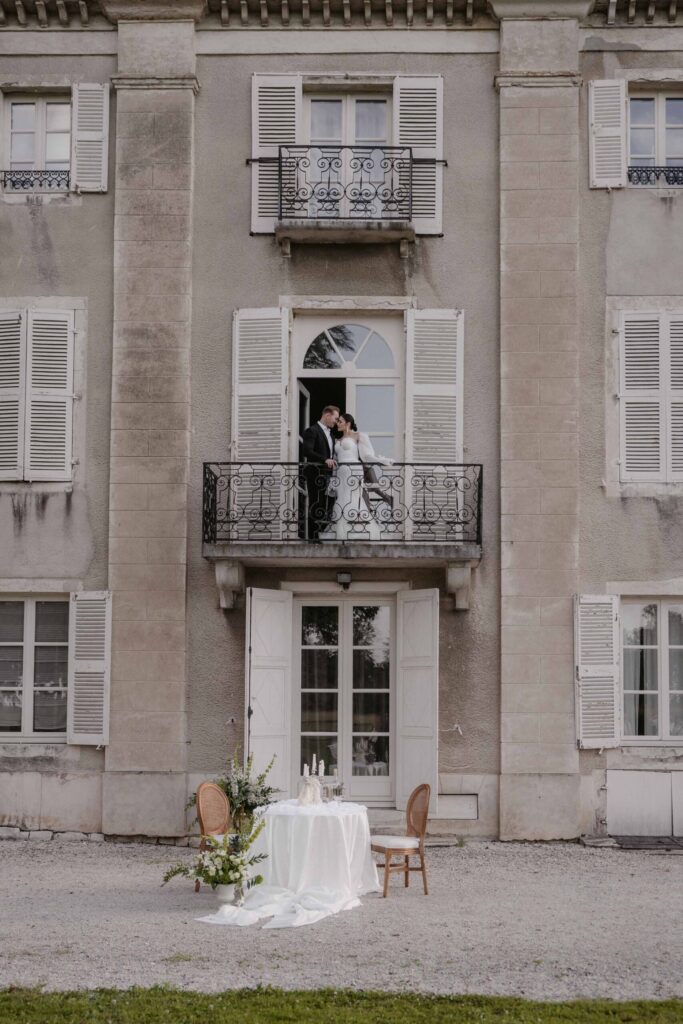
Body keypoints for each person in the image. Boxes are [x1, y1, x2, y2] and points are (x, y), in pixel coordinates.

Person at [324, 412, 393, 542]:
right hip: (341, 472)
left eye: (340, 421)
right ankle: (342, 531)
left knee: (355, 498)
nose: (337, 423)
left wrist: (381, 461)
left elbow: (367, 456)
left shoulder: (359, 436)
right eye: (337, 421)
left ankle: (358, 530)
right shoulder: (337, 440)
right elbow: (335, 459)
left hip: (354, 470)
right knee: (342, 499)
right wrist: (333, 480)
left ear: (348, 423)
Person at [301, 405, 339, 540]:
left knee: (328, 506)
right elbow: (307, 451)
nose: (336, 422)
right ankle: (313, 538)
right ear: (327, 415)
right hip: (315, 474)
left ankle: (323, 536)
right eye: (335, 418)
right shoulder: (312, 431)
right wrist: (325, 460)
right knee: (316, 504)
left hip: (328, 476)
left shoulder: (332, 435)